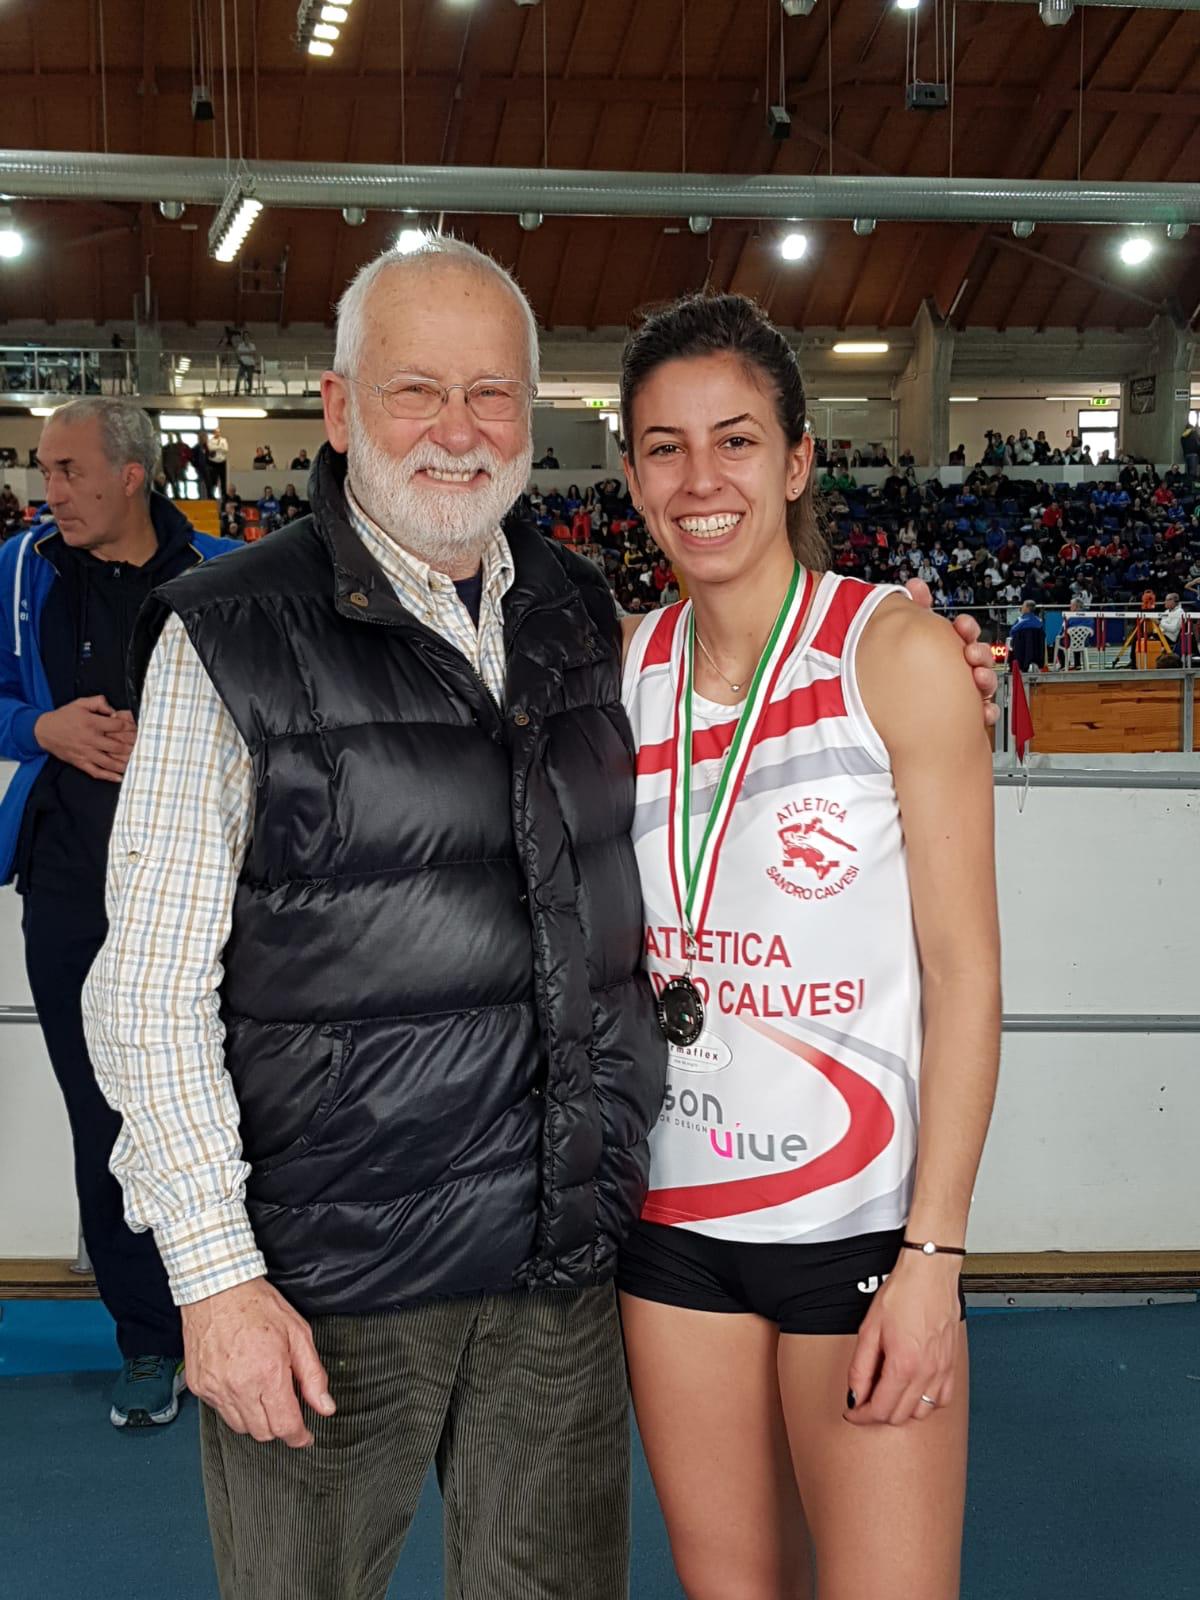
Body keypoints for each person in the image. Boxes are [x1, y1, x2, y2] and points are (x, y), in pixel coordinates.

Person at [81, 245, 997, 1599]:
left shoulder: (576, 624)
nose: (457, 429)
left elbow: (944, 947)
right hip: (343, 1271)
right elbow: (146, 989)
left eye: (492, 393)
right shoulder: (240, 635)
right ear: (337, 407)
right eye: (416, 389)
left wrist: (936, 652)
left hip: (568, 1265)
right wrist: (214, 1279)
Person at [614, 294, 1001, 1600]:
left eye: (734, 440)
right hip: (674, 1225)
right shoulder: (619, 670)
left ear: (794, 461)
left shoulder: (892, 654)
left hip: (861, 1229)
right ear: (631, 478)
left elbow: (966, 978)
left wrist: (934, 1258)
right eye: (664, 447)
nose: (700, 479)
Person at [0, 398, 231, 1429]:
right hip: (68, 887)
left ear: (132, 474)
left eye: (68, 470)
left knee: (236, 1103)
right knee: (103, 1118)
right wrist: (38, 727)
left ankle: (244, 1317)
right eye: (44, 470)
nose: (48, 489)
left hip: (206, 889)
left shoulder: (225, 572)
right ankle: (149, 1341)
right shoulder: (19, 571)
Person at [1008, 600, 1046, 671]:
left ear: (1027, 609)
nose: (1021, 608)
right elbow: (1043, 635)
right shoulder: (1039, 621)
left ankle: (1014, 666)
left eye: (1023, 606)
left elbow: (1012, 632)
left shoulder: (1019, 621)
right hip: (1036, 650)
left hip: (1020, 650)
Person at [207, 425, 229, 499]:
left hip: (222, 462)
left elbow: (226, 449)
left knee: (223, 480)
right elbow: (210, 448)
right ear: (214, 433)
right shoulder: (210, 441)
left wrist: (217, 448)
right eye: (216, 432)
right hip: (213, 462)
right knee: (213, 480)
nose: (217, 433)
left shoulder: (224, 440)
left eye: (219, 432)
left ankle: (223, 496)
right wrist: (220, 447)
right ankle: (211, 495)